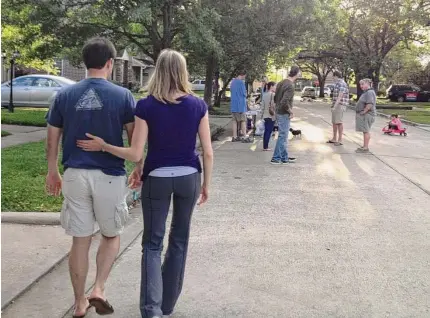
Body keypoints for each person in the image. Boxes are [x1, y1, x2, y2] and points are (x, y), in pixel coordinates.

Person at [76, 49, 214, 318]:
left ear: (158, 70)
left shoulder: (147, 106)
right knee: (179, 240)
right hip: (189, 177)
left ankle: (151, 310)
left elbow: (136, 153)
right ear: (183, 72)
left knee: (152, 243)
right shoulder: (198, 105)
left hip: (158, 179)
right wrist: (206, 184)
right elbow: (208, 152)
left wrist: (104, 146)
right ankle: (167, 305)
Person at [45, 37, 136, 317]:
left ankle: (79, 302)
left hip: (74, 175)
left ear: (85, 64)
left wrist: (52, 171)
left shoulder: (64, 96)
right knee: (111, 235)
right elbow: (135, 141)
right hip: (109, 175)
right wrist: (138, 167)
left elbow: (52, 139)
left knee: (80, 240)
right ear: (110, 63)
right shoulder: (123, 96)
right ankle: (98, 287)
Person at [271, 66, 300, 164]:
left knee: (284, 135)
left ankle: (284, 157)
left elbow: (275, 98)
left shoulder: (281, 83)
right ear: (297, 73)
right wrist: (290, 111)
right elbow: (284, 102)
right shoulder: (290, 85)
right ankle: (275, 158)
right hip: (283, 113)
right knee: (283, 135)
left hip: (279, 111)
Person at [327, 70, 349, 146]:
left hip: (340, 104)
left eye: (333, 77)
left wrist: (335, 106)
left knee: (339, 122)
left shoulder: (342, 83)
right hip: (336, 104)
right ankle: (334, 138)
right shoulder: (337, 84)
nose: (333, 78)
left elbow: (340, 96)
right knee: (334, 122)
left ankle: (340, 140)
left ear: (336, 76)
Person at [355, 78, 377, 153]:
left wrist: (364, 111)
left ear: (368, 84)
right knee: (365, 131)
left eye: (363, 84)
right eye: (360, 84)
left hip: (368, 115)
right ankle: (364, 146)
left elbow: (370, 103)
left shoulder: (370, 92)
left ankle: (365, 148)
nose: (361, 86)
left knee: (366, 131)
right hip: (366, 114)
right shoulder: (366, 92)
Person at [230, 70, 251, 142]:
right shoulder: (241, 83)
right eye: (245, 76)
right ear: (243, 75)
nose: (245, 77)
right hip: (240, 105)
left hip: (233, 104)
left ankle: (234, 136)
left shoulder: (233, 82)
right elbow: (244, 93)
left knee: (234, 121)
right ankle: (245, 136)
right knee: (243, 121)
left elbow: (231, 91)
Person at [260, 81, 276, 151]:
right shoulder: (273, 95)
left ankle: (265, 146)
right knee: (268, 132)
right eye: (275, 86)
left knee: (266, 131)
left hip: (265, 115)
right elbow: (274, 106)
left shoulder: (264, 95)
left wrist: (261, 116)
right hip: (271, 115)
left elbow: (262, 106)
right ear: (271, 86)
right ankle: (265, 147)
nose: (276, 87)